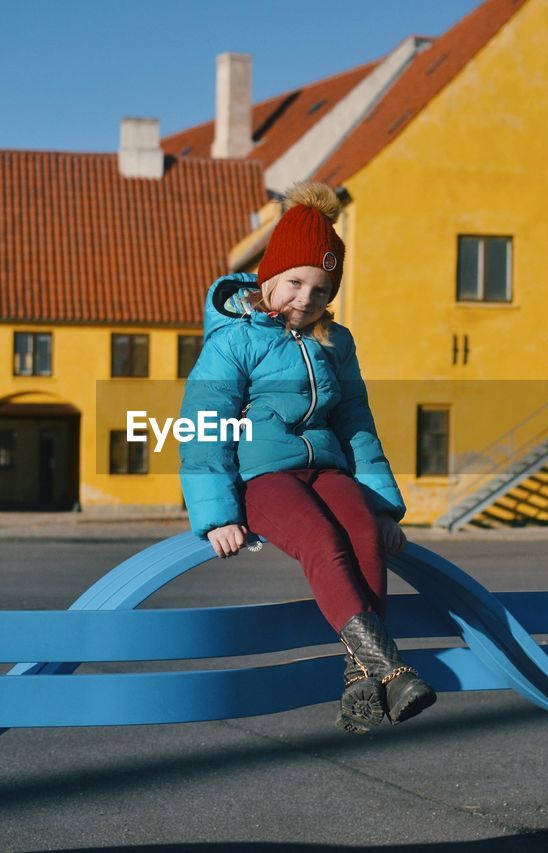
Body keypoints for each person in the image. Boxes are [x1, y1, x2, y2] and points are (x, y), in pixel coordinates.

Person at [179, 181, 435, 734]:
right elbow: (204, 425)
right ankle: (390, 667)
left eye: (321, 290)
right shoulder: (235, 342)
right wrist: (218, 515)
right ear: (270, 276)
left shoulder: (334, 342)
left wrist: (385, 506)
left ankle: (362, 681)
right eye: (295, 283)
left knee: (363, 533)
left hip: (327, 467)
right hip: (263, 476)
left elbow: (356, 422)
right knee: (322, 540)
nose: (305, 299)